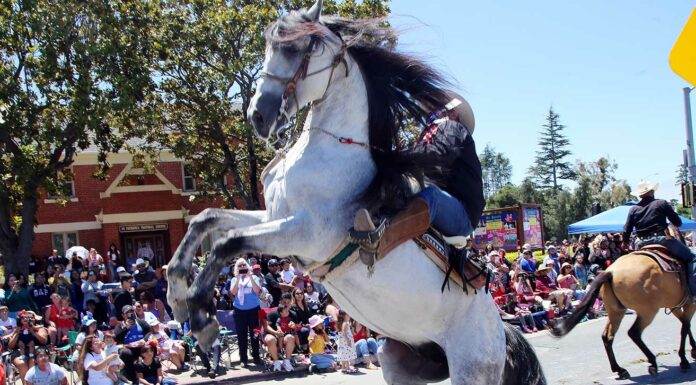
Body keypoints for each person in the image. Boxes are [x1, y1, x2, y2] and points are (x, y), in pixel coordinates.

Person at [350, 92, 484, 266]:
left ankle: (381, 243)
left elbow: (437, 156)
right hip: (443, 202)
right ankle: (372, 221)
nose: (430, 112)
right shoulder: (428, 136)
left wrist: (397, 159)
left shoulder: (453, 128)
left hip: (462, 215)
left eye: (436, 108)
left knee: (432, 197)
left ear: (453, 113)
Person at [624, 180, 696, 295]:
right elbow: (677, 222)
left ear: (639, 194)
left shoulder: (633, 209)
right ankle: (694, 293)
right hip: (662, 240)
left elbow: (626, 229)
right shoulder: (661, 203)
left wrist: (625, 243)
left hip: (641, 244)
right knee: (692, 257)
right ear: (652, 191)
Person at [229, 258, 262, 367]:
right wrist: (238, 278)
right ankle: (243, 359)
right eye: (240, 266)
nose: (242, 267)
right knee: (241, 336)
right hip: (239, 311)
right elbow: (233, 292)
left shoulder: (255, 277)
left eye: (244, 265)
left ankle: (256, 356)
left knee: (255, 334)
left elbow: (257, 291)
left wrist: (250, 276)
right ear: (236, 268)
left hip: (254, 310)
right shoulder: (234, 279)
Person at [115, 305, 152, 384]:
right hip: (128, 347)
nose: (130, 313)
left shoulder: (140, 322)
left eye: (131, 311)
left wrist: (144, 340)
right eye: (127, 312)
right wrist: (126, 328)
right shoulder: (120, 326)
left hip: (141, 346)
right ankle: (133, 378)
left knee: (151, 347)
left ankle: (151, 373)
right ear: (123, 315)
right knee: (125, 353)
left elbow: (149, 331)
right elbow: (117, 338)